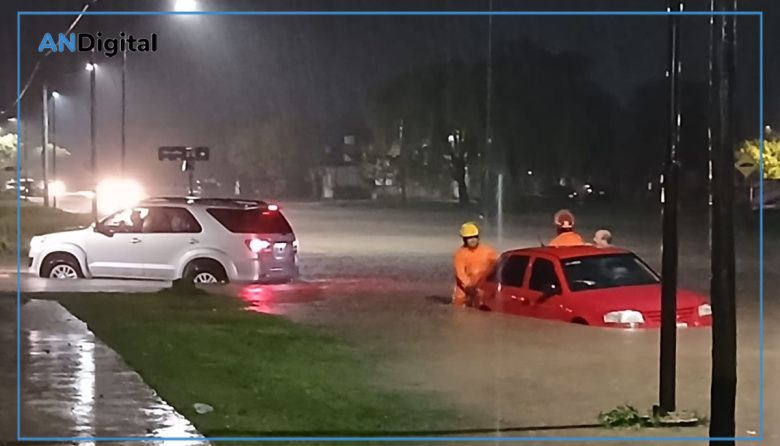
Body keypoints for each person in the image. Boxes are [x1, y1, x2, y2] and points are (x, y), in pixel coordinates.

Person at [452, 222, 499, 308]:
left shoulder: (488, 251)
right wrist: (470, 287)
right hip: (464, 292)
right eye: (469, 238)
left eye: (475, 237)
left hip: (483, 288)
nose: (473, 240)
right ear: (464, 239)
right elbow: (461, 274)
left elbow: (498, 265)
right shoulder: (459, 254)